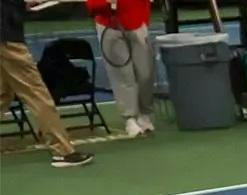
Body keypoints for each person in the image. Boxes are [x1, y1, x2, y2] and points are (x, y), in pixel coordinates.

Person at [0, 0, 93, 166]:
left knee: (3, 93)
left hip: (6, 33)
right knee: (36, 93)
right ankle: (63, 151)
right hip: (7, 38)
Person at [87, 0, 153, 137]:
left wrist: (144, 22)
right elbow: (92, 6)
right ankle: (130, 118)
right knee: (122, 74)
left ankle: (145, 113)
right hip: (110, 26)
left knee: (145, 73)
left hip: (138, 22)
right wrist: (106, 3)